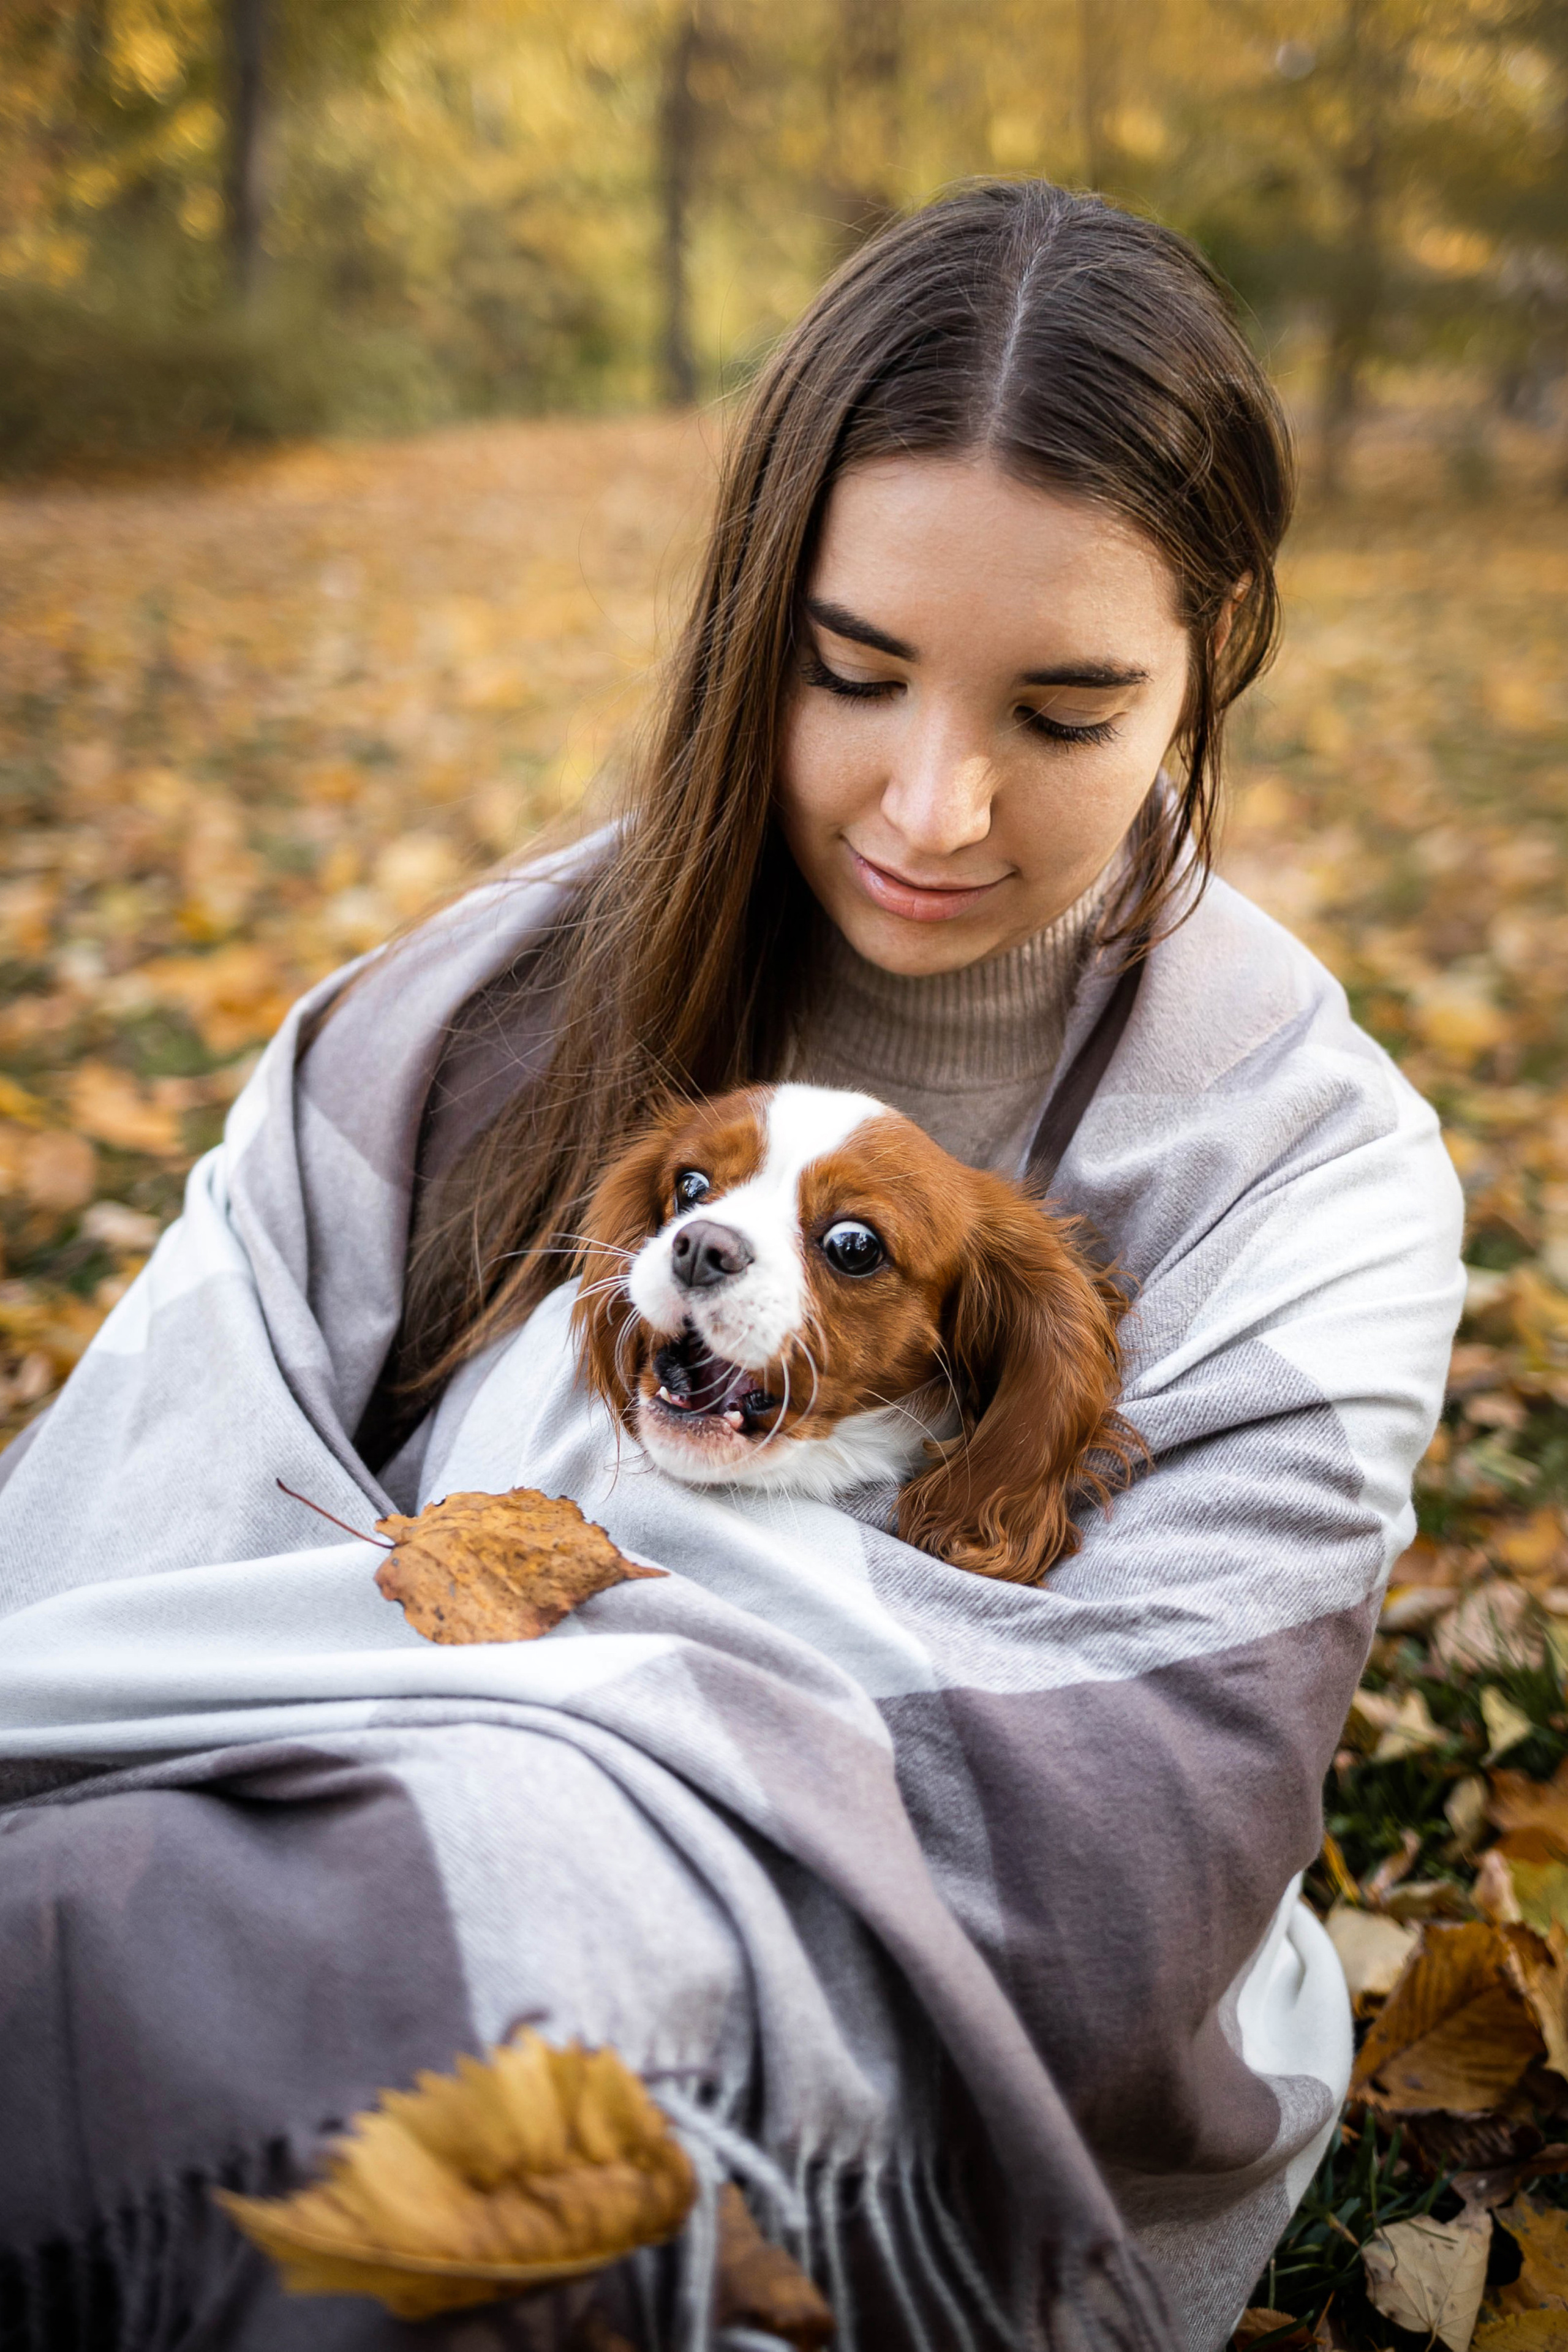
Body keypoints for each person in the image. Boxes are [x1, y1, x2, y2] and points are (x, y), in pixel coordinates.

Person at [0, 182, 1463, 2352]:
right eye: (852, 672)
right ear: (752, 615)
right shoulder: (483, 1003)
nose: (934, 806)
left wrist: (552, 1657)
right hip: (271, 1778)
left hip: (829, 1961)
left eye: (1063, 714)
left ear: (1214, 656)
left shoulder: (1319, 1169)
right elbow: (131, 1532)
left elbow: (1131, 1821)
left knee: (394, 2039)